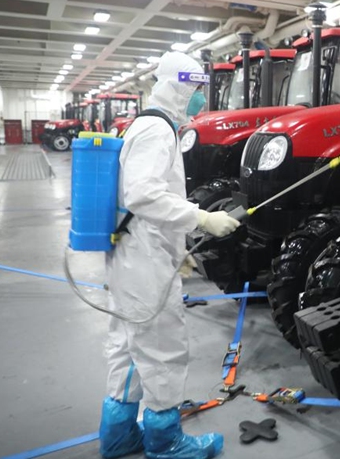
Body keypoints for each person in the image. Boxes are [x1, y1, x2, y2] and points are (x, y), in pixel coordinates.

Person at [98, 51, 240, 459]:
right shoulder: (159, 131)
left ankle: (119, 434)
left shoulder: (145, 124)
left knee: (127, 347)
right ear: (181, 85)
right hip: (144, 261)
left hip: (132, 255)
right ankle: (165, 442)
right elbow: (142, 194)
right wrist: (201, 218)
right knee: (162, 349)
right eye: (197, 89)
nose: (200, 99)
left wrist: (177, 249)